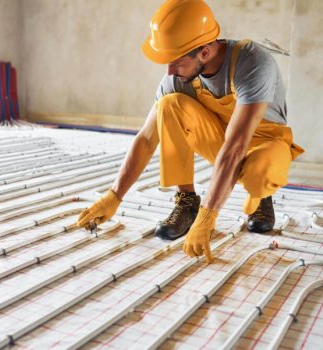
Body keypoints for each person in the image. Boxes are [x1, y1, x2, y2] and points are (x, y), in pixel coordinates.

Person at [77, 0, 304, 262]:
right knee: (168, 104)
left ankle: (263, 195)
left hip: (265, 143)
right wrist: (114, 196)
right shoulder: (179, 76)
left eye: (176, 63)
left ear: (204, 53)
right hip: (225, 138)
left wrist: (209, 217)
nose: (169, 71)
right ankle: (187, 202)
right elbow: (146, 139)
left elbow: (236, 146)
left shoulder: (252, 63)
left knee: (258, 172)